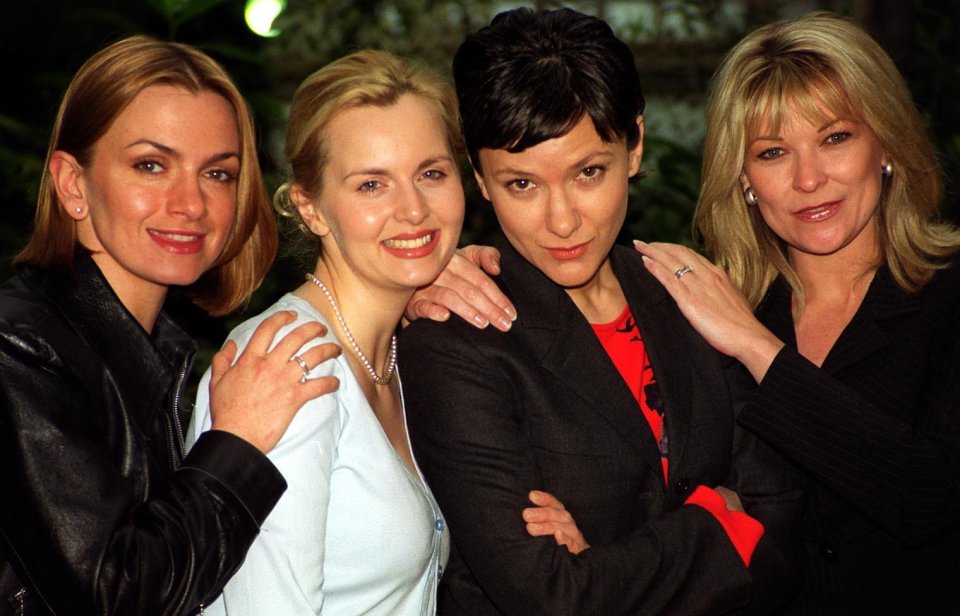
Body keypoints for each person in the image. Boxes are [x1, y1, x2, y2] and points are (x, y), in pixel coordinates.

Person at [398, 7, 802, 615]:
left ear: (634, 146)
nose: (562, 221)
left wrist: (606, 566)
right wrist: (719, 520)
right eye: (522, 184)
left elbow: (783, 516)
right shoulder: (457, 336)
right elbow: (550, 597)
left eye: (589, 173)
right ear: (479, 179)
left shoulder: (684, 292)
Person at [0, 36, 340, 615]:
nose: (191, 203)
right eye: (151, 165)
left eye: (218, 173)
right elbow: (117, 597)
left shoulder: (150, 349)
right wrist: (235, 444)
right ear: (72, 184)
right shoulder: (20, 346)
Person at [634, 11, 960, 613]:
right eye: (774, 151)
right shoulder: (714, 314)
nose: (809, 179)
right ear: (745, 178)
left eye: (835, 137)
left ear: (885, 143)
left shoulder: (947, 301)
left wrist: (757, 347)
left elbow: (926, 496)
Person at [187, 49, 468, 615]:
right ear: (310, 208)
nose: (413, 209)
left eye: (431, 174)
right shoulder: (291, 361)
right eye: (371, 184)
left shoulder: (403, 354)